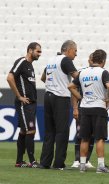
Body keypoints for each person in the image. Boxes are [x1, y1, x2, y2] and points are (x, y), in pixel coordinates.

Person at [68, 49, 109, 173]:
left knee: (84, 138)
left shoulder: (82, 72)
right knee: (99, 138)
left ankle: (82, 165)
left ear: (92, 59)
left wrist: (80, 97)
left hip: (85, 108)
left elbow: (70, 86)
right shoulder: (103, 72)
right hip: (99, 108)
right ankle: (101, 166)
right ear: (103, 61)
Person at [40, 40, 79, 169]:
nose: (76, 54)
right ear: (68, 50)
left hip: (48, 96)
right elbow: (76, 77)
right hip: (60, 98)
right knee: (62, 131)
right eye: (75, 51)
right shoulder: (66, 60)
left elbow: (43, 78)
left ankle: (45, 163)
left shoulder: (51, 60)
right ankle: (58, 163)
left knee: (49, 131)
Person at [7, 42, 42, 168]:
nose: (40, 54)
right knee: (31, 130)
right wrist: (19, 96)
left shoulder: (30, 66)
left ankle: (19, 161)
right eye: (38, 51)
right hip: (24, 104)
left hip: (31, 104)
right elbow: (10, 77)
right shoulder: (21, 61)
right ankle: (32, 161)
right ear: (30, 50)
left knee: (23, 131)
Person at [70, 68, 95, 169]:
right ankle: (77, 160)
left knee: (92, 135)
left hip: (95, 108)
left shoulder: (100, 73)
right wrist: (75, 108)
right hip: (82, 108)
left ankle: (86, 160)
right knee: (80, 133)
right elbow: (73, 89)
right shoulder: (82, 74)